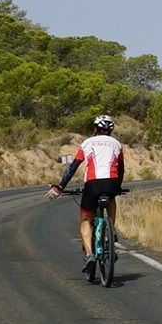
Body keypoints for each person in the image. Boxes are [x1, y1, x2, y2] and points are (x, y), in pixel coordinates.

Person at [56, 115, 126, 275]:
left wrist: (61, 186)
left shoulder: (87, 143)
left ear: (95, 129)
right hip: (111, 182)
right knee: (112, 198)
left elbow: (73, 166)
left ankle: (89, 255)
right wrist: (118, 187)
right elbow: (121, 169)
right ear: (110, 130)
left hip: (93, 184)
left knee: (86, 219)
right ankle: (111, 230)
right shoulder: (117, 144)